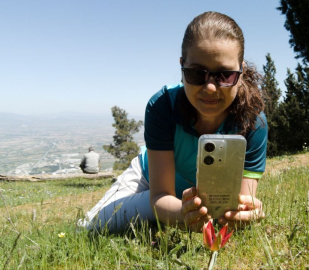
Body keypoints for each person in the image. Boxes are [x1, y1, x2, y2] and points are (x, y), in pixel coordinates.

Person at [78, 11, 267, 233]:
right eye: (197, 74)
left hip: (194, 199)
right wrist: (183, 214)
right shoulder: (163, 106)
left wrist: (245, 213)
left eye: (225, 75)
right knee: (89, 229)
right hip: (150, 181)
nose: (210, 87)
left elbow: (240, 201)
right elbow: (159, 196)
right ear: (181, 67)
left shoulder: (253, 122)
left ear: (241, 71)